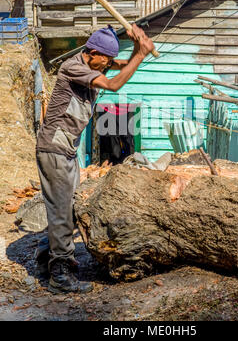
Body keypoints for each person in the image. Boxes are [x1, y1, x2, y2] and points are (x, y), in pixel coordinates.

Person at [35, 24, 154, 294]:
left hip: (65, 149)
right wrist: (141, 54)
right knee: (63, 212)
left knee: (68, 209)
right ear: (92, 52)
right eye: (106, 60)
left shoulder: (93, 63)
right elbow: (114, 84)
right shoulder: (73, 67)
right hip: (53, 148)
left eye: (111, 61)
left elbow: (122, 64)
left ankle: (45, 259)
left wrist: (138, 47)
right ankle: (60, 275)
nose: (109, 65)